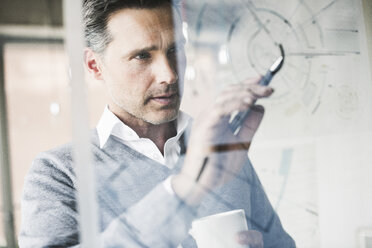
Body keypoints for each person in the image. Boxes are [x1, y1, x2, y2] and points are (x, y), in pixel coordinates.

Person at [19, 0, 296, 247]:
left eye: (175, 49)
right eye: (142, 56)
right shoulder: (59, 173)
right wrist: (186, 186)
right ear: (94, 66)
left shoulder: (220, 149)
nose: (170, 74)